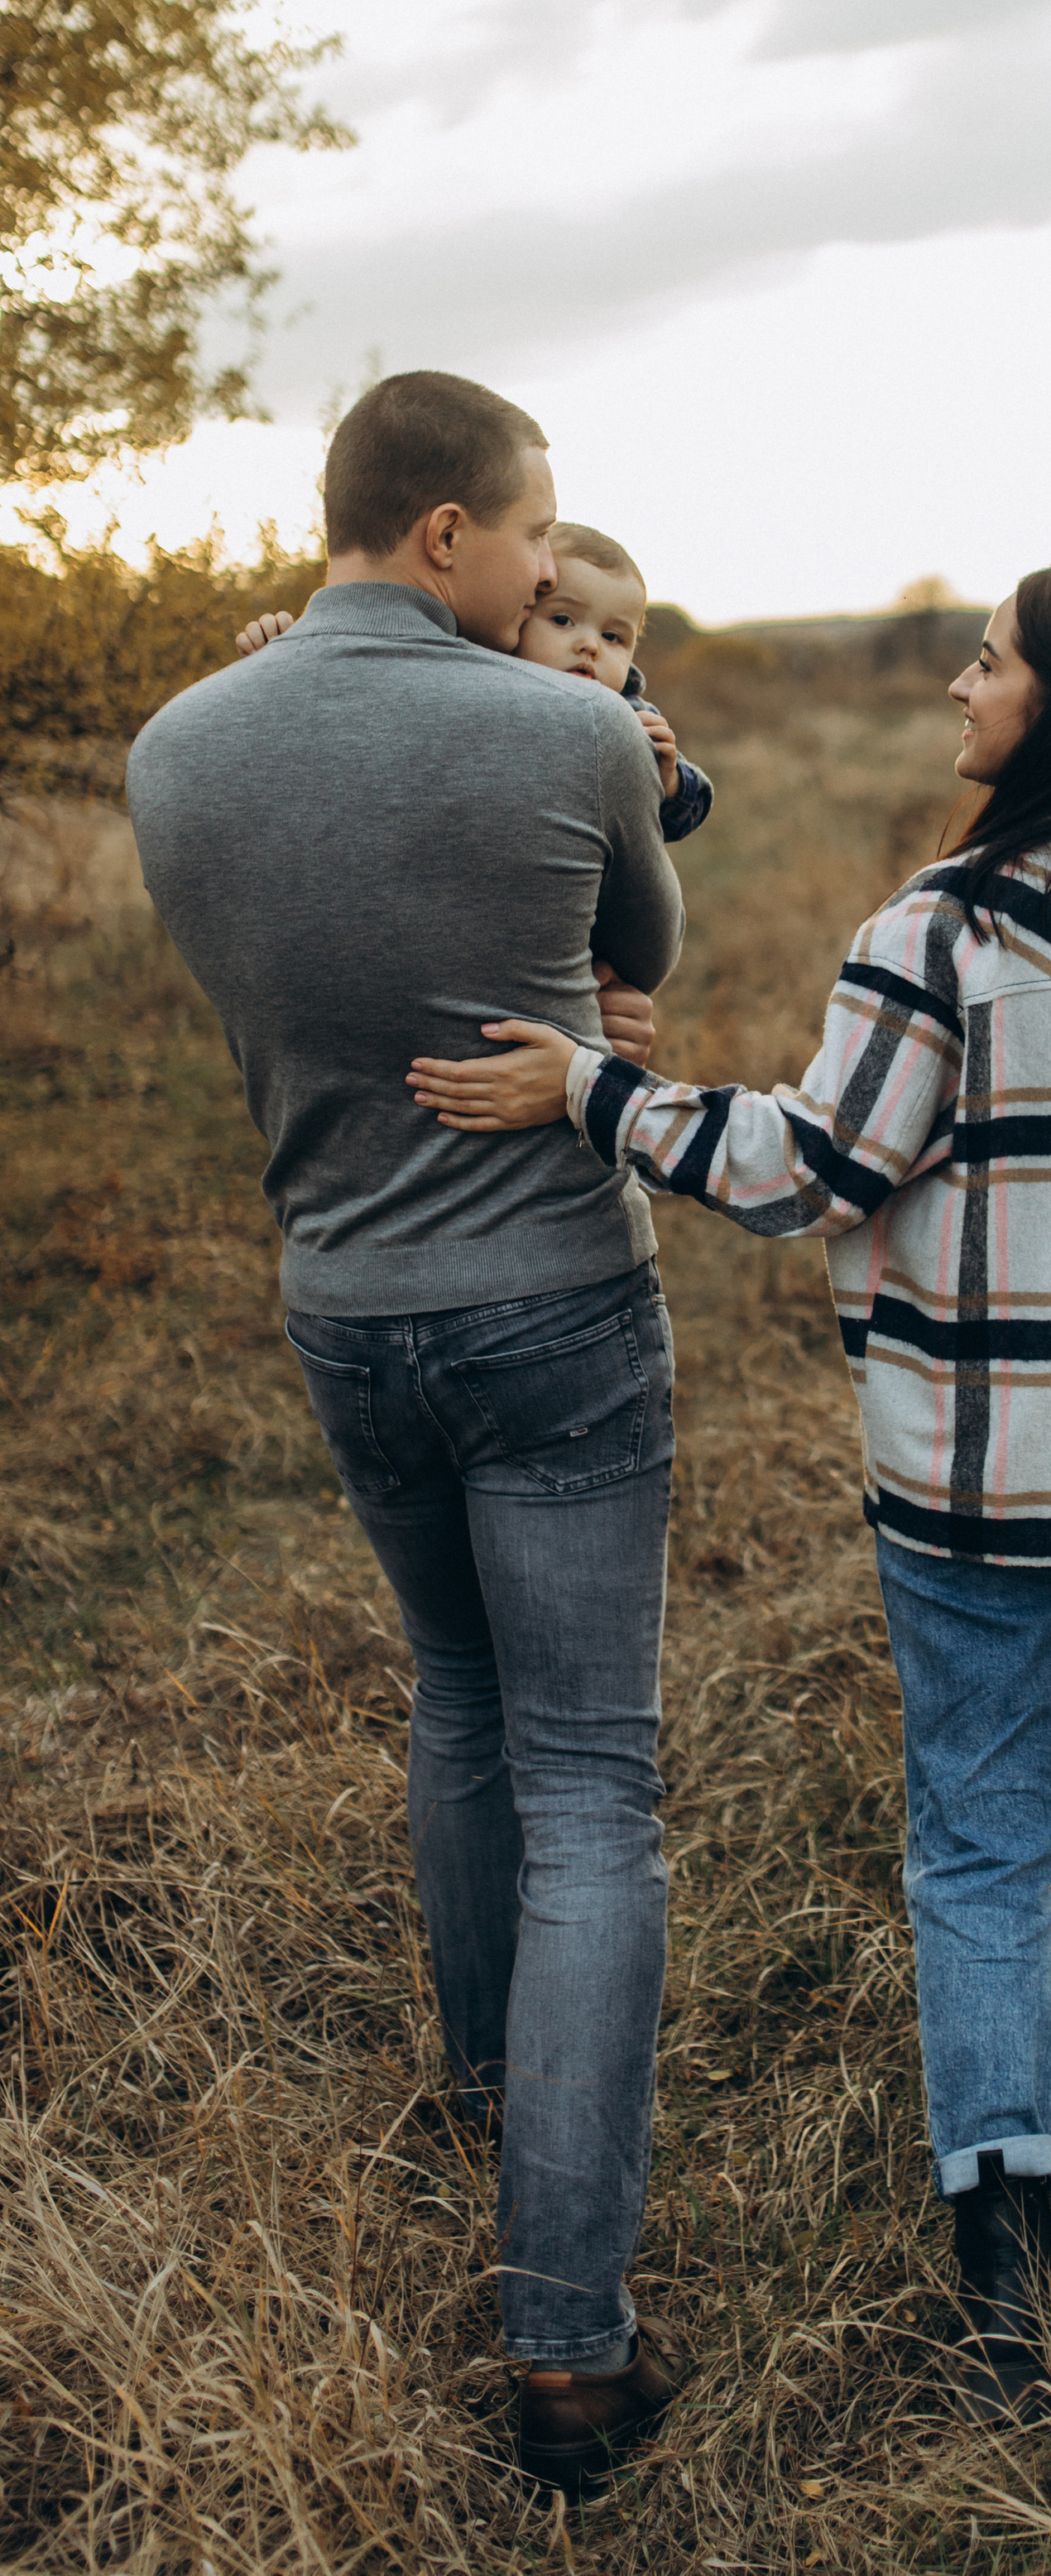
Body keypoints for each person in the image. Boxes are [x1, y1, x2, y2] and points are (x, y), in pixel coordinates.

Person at [402, 564, 1051, 2421]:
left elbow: (811, 1170)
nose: (960, 679)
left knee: (978, 1837)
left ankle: (1002, 2237)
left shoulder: (937, 933)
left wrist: (595, 1091)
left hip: (983, 1478)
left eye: (992, 659)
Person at [126, 371, 691, 2496]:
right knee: (593, 1782)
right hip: (549, 1294)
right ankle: (568, 2336)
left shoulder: (177, 747)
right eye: (535, 533)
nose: (555, 570)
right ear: (447, 527)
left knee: (458, 1705)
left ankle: (494, 2096)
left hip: (340, 1307)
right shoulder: (560, 726)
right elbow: (639, 965)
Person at [236, 515, 714, 845]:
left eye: (613, 636)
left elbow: (679, 816)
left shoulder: (631, 717)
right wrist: (285, 662)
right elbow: (358, 716)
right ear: (523, 613)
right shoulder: (468, 674)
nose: (590, 646)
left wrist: (667, 782)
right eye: (563, 621)